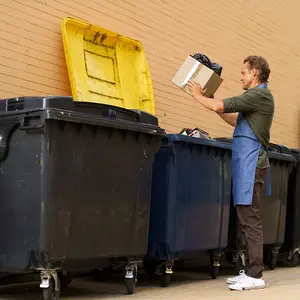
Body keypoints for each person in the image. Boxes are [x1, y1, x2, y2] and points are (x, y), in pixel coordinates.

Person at [188, 55, 274, 291]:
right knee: (246, 217)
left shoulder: (259, 95)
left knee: (250, 219)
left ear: (255, 72)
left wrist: (199, 96)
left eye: (244, 72)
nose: (241, 76)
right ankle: (249, 271)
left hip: (252, 164)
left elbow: (219, 106)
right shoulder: (255, 101)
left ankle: (255, 274)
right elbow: (233, 119)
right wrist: (212, 102)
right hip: (247, 165)